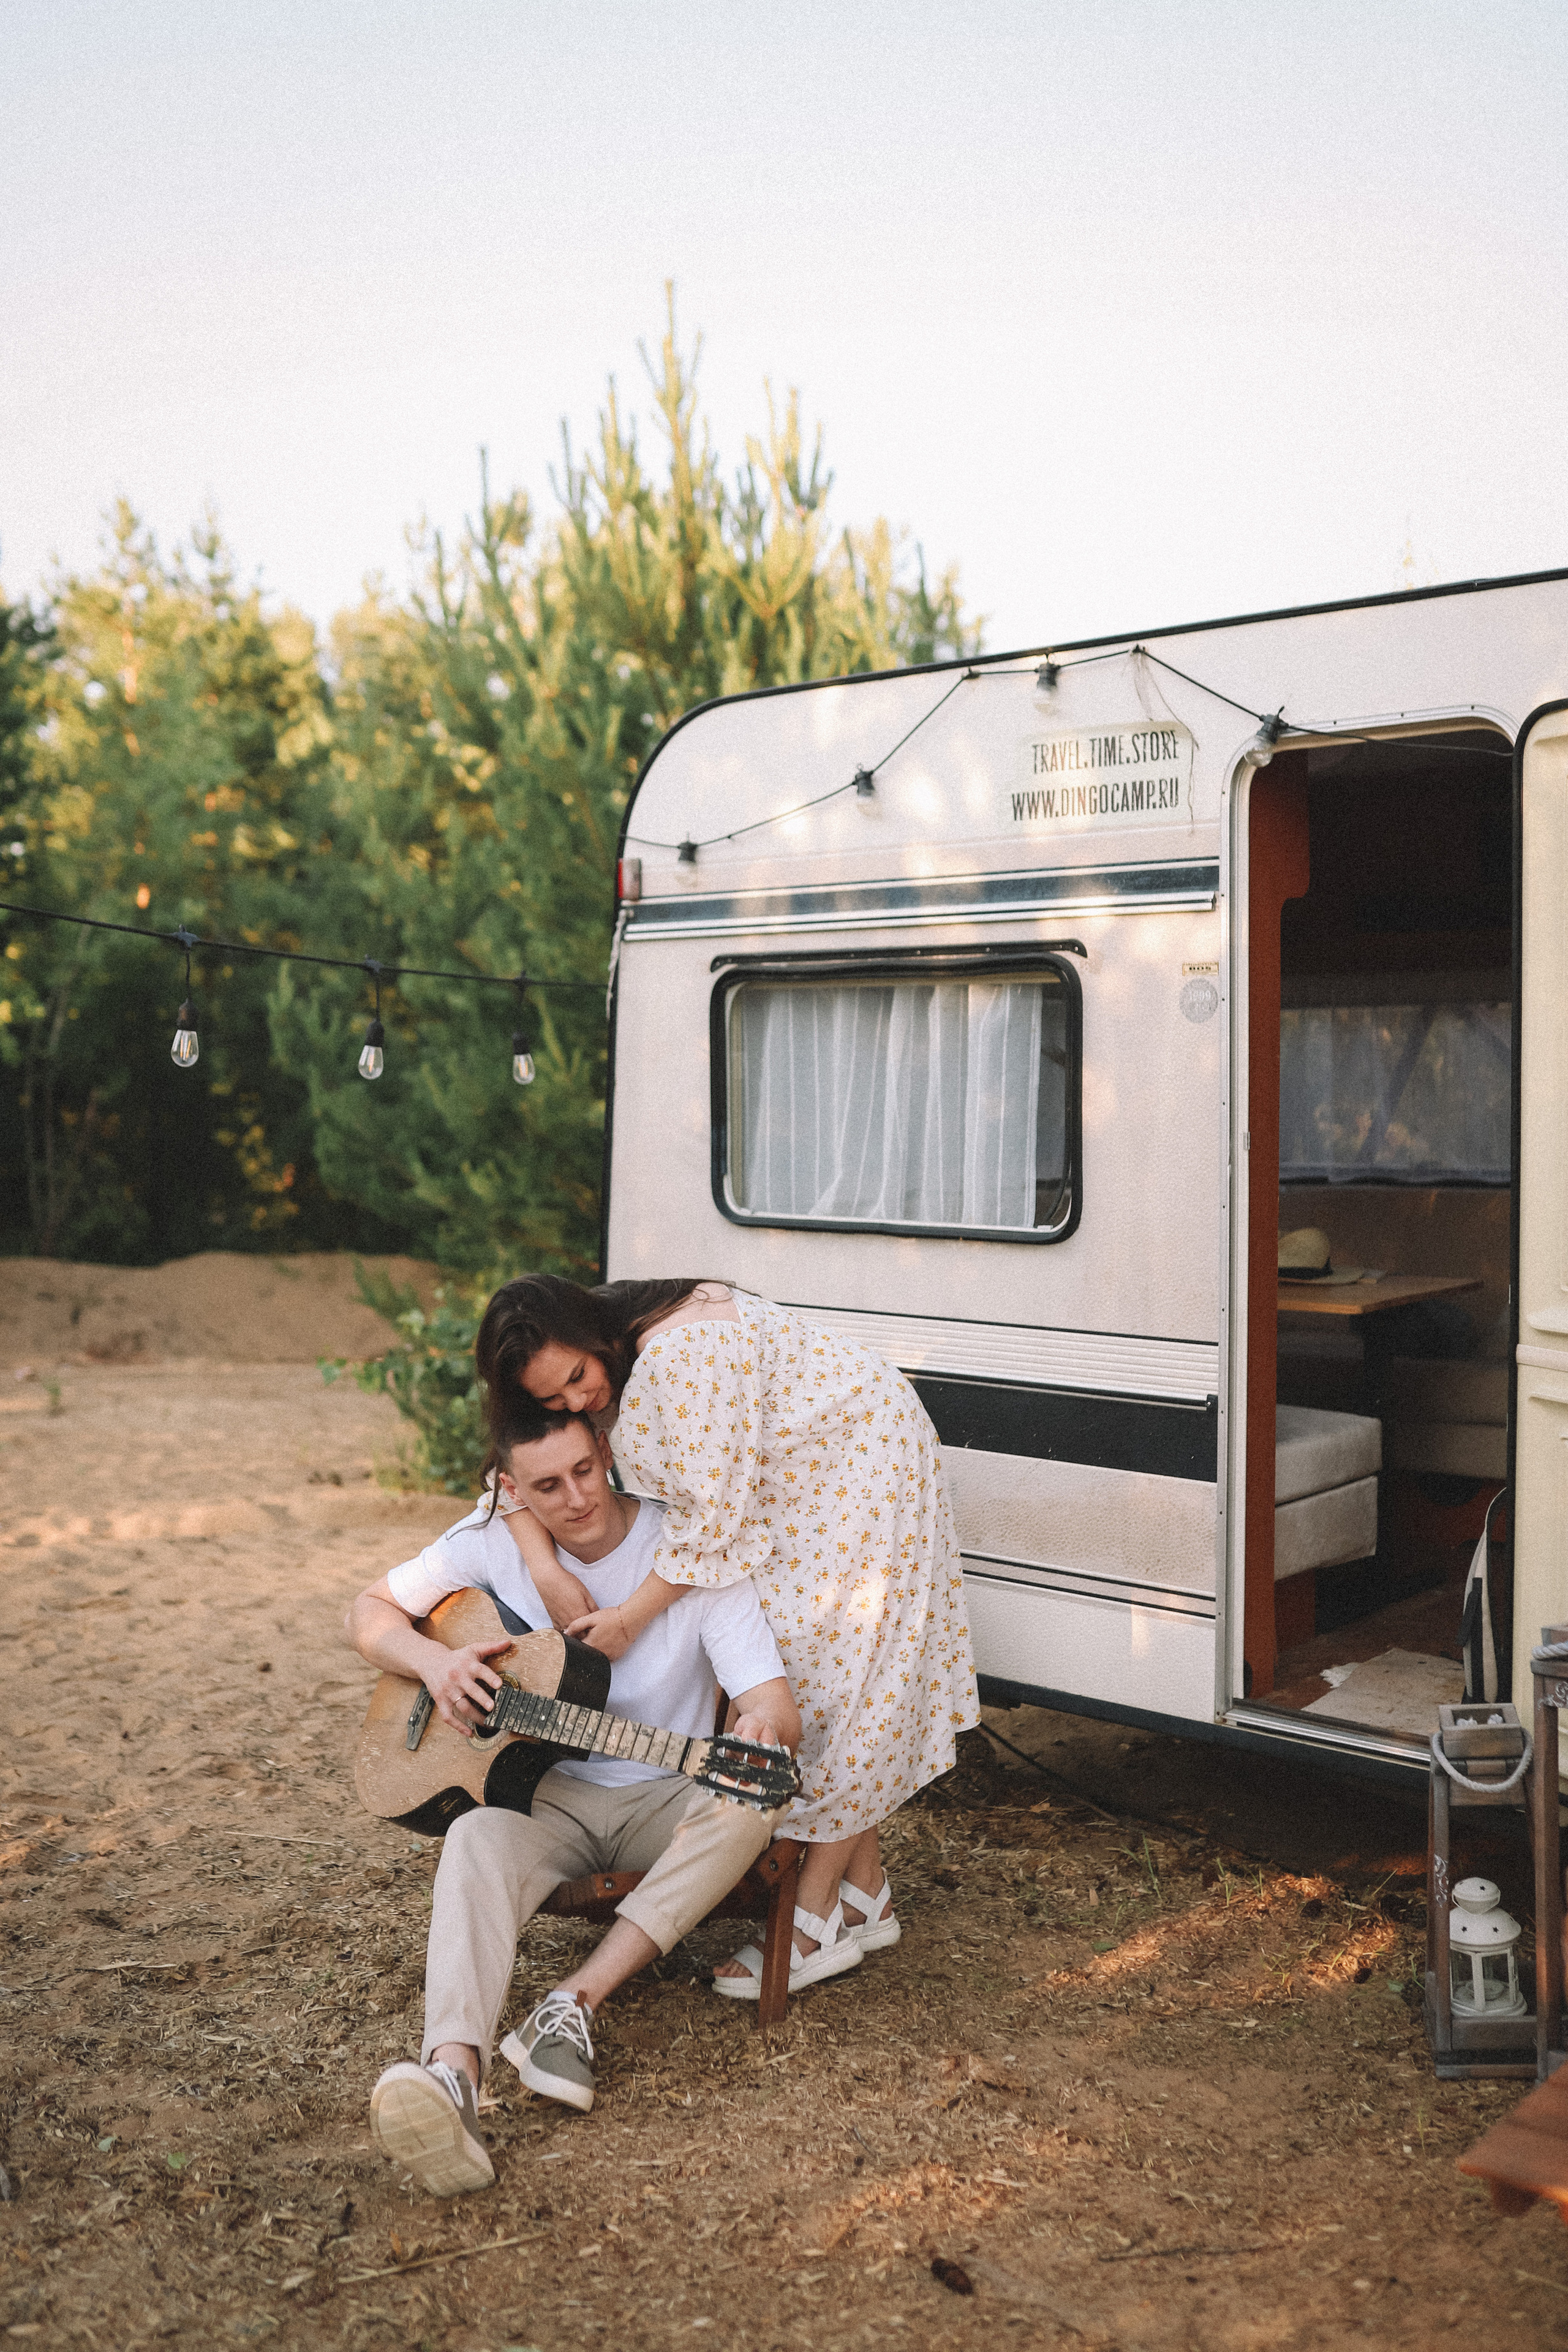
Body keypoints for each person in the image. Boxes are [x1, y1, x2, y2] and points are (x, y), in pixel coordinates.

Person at [475, 1275, 979, 1999]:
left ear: (588, 1334)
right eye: (553, 1400)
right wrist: (541, 1565)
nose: (578, 1403)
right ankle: (866, 1897)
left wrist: (631, 1617)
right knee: (810, 1675)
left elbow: (713, 1526)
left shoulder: (679, 1354)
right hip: (800, 1483)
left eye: (580, 1381)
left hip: (862, 1466)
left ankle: (814, 1917)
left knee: (838, 1684)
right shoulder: (610, 1336)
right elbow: (509, 1472)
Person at [345, 1398, 799, 2197]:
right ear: (512, 1491)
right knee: (474, 1838)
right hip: (549, 1804)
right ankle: (451, 2080)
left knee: (750, 1800)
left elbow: (771, 1703)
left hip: (668, 1800)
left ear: (605, 1450)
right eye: (548, 1486)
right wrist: (434, 1664)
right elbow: (369, 1611)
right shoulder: (490, 1543)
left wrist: (761, 1722)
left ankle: (569, 2004)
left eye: (585, 1471)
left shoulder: (682, 1550)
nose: (577, 1498)